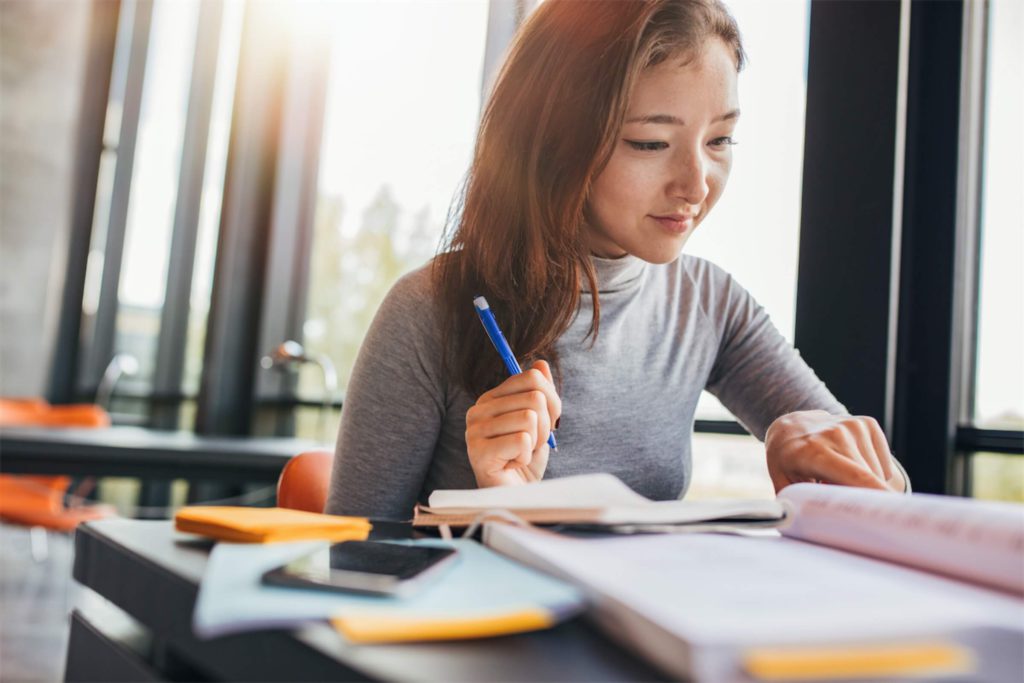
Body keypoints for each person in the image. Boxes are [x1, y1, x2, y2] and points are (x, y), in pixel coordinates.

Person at [326, 0, 908, 521]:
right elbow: (349, 562)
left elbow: (890, 493)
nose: (696, 184)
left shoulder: (710, 305)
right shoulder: (430, 311)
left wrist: (814, 444)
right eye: (651, 143)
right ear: (555, 138)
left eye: (720, 141)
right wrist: (495, 511)